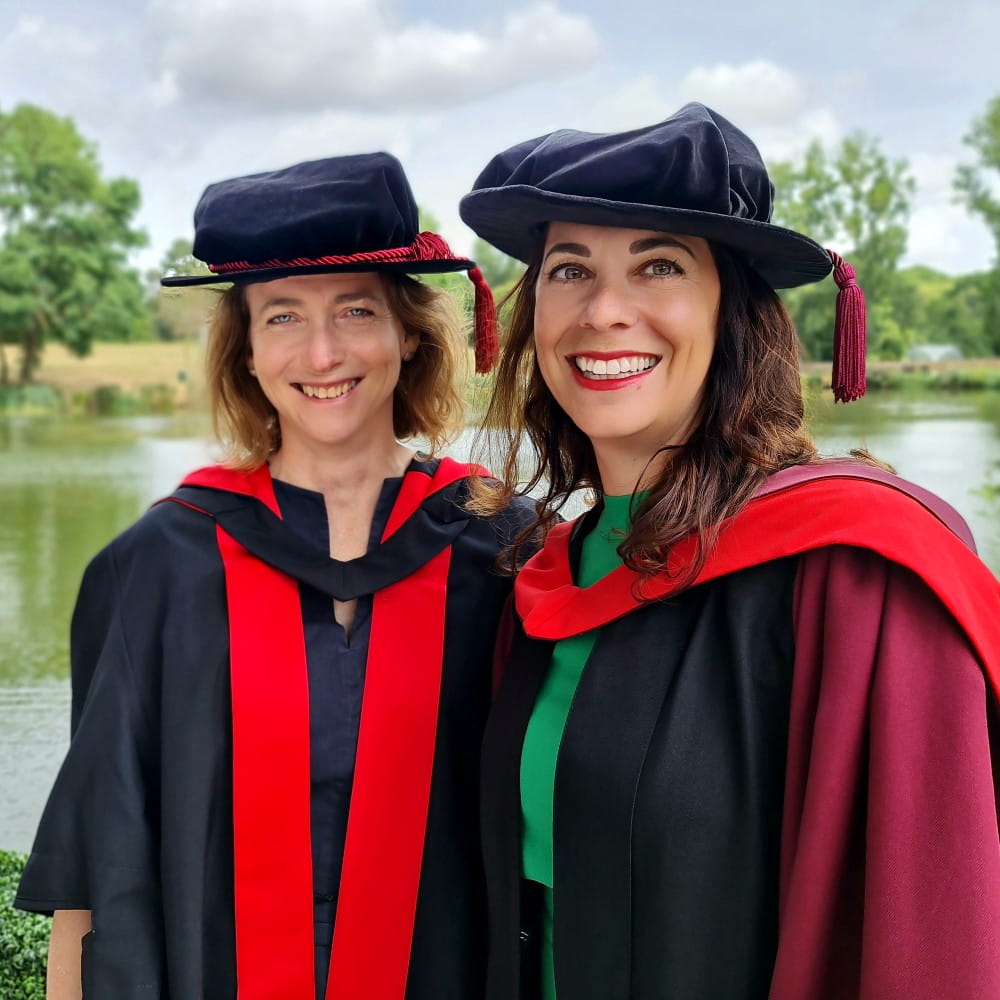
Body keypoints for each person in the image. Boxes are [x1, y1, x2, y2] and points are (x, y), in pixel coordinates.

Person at [458, 103, 1000, 999]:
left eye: (659, 266)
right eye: (570, 269)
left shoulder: (855, 575)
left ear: (732, 309)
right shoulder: (543, 572)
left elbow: (932, 937)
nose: (604, 311)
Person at [15, 152, 535, 999]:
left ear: (409, 332)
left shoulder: (500, 550)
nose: (322, 351)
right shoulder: (160, 565)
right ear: (248, 352)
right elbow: (93, 860)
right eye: (283, 316)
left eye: (356, 309)